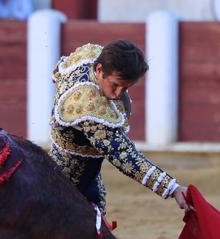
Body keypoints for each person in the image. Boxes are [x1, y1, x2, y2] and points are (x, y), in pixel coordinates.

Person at [48, 40, 190, 218]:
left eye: (125, 88)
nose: (117, 94)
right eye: (115, 85)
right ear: (99, 70)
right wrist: (171, 187)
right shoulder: (88, 106)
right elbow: (122, 154)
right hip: (69, 188)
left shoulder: (89, 56)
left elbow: (57, 71)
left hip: (81, 176)